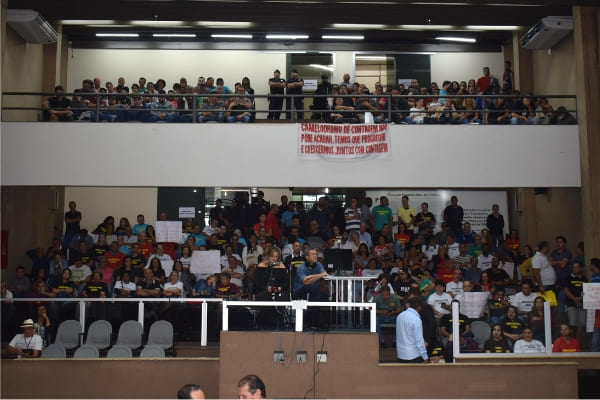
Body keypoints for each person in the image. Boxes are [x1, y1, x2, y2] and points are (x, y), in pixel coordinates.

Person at [395, 296, 429, 363]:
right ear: (420, 307)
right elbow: (419, 340)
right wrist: (425, 357)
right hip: (413, 355)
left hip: (401, 354)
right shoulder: (416, 320)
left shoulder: (400, 316)